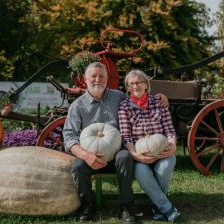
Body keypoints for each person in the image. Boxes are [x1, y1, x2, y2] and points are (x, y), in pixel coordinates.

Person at [63, 62, 168, 223]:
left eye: (102, 76)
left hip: (118, 153)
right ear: (85, 79)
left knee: (125, 157)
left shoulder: (118, 97)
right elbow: (69, 136)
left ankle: (126, 206)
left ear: (107, 79)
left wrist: (159, 97)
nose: (98, 80)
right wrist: (86, 155)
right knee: (77, 166)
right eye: (94, 76)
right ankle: (87, 204)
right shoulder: (77, 106)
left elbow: (139, 99)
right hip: (91, 155)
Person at [118, 70, 180, 223]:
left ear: (146, 84)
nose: (135, 86)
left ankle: (159, 208)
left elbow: (169, 130)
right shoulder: (124, 107)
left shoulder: (159, 103)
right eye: (131, 83)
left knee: (166, 165)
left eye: (139, 82)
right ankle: (166, 208)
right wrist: (135, 155)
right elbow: (126, 136)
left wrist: (172, 145)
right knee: (141, 171)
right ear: (127, 87)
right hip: (141, 155)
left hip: (162, 149)